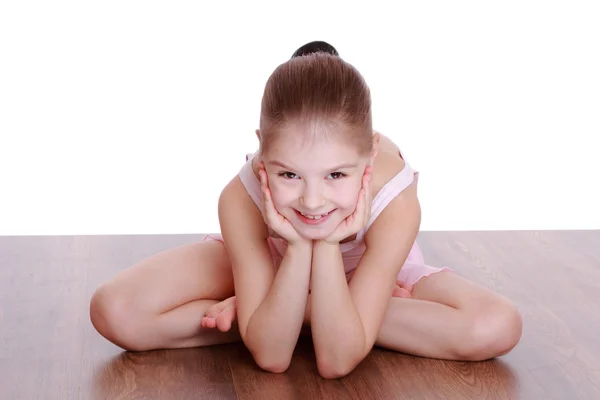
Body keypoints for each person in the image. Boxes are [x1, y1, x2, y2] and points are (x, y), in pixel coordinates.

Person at [89, 41, 523, 379]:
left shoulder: (395, 197)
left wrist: (294, 297)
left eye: (336, 176)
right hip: (269, 261)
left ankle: (280, 310)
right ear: (262, 152)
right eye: (289, 176)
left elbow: (337, 362)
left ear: (369, 156)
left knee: (497, 325)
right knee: (117, 310)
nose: (313, 203)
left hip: (365, 275)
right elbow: (272, 358)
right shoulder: (240, 198)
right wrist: (296, 251)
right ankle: (298, 310)